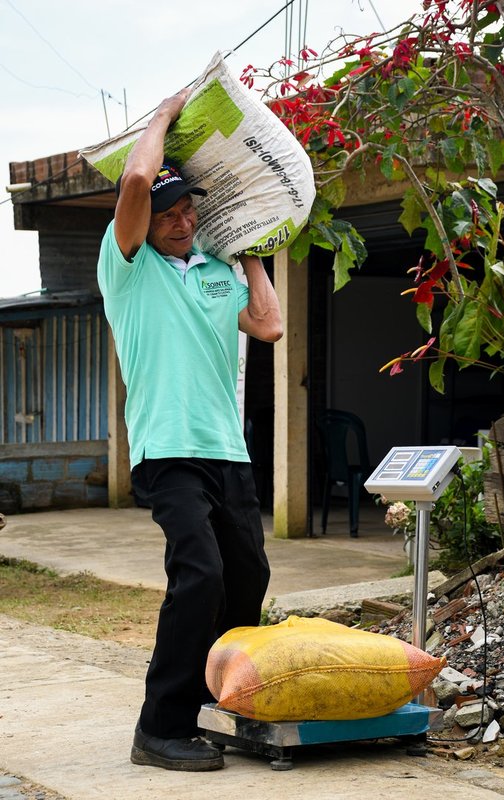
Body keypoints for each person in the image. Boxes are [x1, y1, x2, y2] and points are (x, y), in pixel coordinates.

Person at [97, 88, 283, 772]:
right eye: (168, 213)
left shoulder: (213, 273)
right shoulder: (127, 266)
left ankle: (219, 704)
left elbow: (268, 325)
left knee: (246, 579)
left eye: (188, 210)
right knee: (197, 574)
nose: (180, 220)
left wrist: (250, 254)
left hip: (225, 450)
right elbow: (139, 179)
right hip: (166, 449)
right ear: (145, 221)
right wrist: (162, 119)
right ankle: (159, 728)